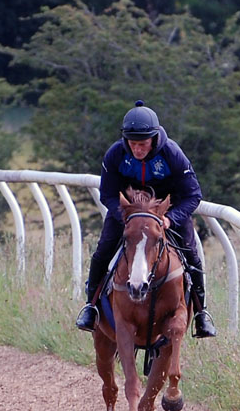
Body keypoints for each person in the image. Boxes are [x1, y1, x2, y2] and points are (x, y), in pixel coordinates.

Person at [75, 100, 217, 338]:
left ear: (153, 139)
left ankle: (202, 314)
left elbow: (194, 195)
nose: (137, 150)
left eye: (142, 144)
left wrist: (171, 218)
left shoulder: (172, 154)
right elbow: (107, 194)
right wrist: (126, 216)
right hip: (128, 215)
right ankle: (90, 307)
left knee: (192, 256)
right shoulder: (115, 154)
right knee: (102, 252)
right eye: (133, 144)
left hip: (167, 213)